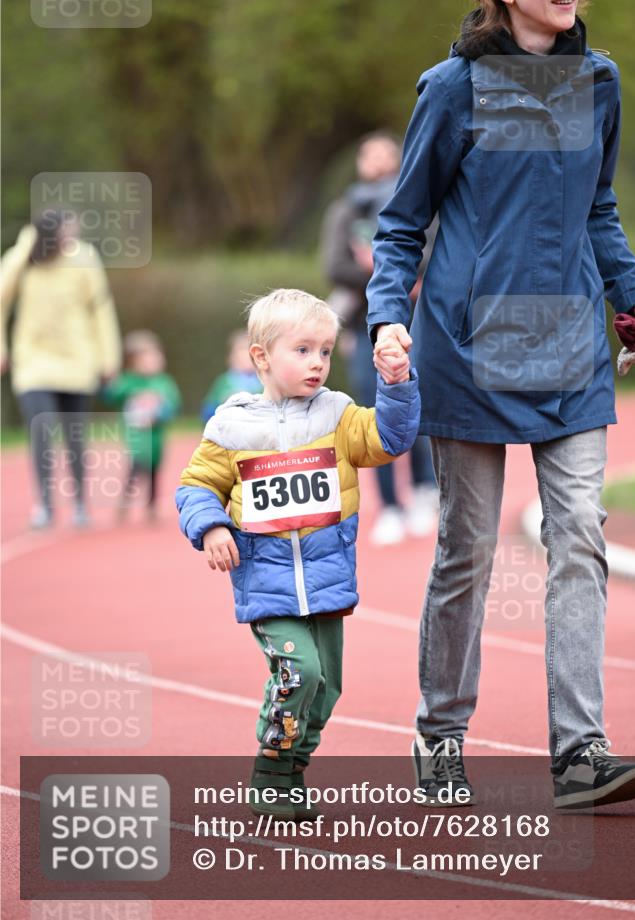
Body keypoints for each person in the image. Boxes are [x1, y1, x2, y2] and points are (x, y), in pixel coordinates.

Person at [367, 0, 635, 809]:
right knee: (466, 550)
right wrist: (389, 319)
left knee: (577, 536)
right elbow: (400, 224)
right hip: (465, 347)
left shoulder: (598, 80)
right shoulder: (451, 89)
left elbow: (597, 209)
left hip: (571, 348)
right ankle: (441, 737)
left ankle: (578, 751)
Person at [176, 289, 419, 819]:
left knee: (327, 689)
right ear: (261, 357)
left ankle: (290, 771)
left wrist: (397, 383)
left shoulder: (338, 414)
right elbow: (195, 486)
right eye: (303, 350)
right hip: (266, 583)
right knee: (299, 673)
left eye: (326, 351)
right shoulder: (233, 425)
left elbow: (391, 439)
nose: (318, 363)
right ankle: (268, 773)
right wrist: (211, 525)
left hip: (327, 580)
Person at [321, 131, 438, 546]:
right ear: (359, 163)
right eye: (370, 156)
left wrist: (400, 271)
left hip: (419, 323)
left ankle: (427, 490)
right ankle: (390, 506)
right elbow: (334, 265)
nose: (379, 163)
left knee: (418, 405)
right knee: (374, 413)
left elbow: (430, 255)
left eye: (387, 155)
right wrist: (383, 277)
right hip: (362, 327)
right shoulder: (342, 211)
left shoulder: (419, 203)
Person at [1, 211, 121, 529]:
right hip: (34, 361)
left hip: (78, 361)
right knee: (41, 431)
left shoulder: (85, 257)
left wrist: (109, 358)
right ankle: (44, 504)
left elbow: (101, 308)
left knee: (74, 436)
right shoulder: (22, 256)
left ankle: (80, 502)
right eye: (66, 232)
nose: (72, 238)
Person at [103, 330, 181, 522]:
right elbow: (111, 396)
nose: (152, 362)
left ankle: (151, 506)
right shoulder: (128, 382)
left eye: (155, 357)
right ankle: (126, 500)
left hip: (156, 436)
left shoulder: (164, 383)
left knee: (155, 471)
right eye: (145, 359)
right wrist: (108, 383)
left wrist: (160, 415)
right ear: (134, 362)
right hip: (136, 436)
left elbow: (173, 405)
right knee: (135, 467)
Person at [200, 329, 262, 423]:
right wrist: (223, 402)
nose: (245, 362)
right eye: (239, 357)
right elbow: (207, 412)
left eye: (249, 358)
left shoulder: (263, 382)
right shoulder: (223, 382)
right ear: (231, 358)